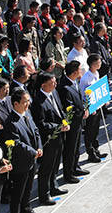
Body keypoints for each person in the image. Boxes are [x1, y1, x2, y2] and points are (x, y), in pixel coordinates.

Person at [31, 72, 68, 205]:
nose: (55, 84)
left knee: (56, 164)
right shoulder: (38, 101)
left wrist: (64, 121)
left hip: (59, 136)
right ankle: (44, 194)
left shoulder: (54, 93)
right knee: (46, 168)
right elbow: (40, 123)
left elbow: (60, 110)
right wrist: (58, 126)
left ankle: (53, 186)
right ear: (43, 84)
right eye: (52, 82)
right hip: (48, 139)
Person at [2, 89, 43, 213]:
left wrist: (39, 147)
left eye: (28, 101)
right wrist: (33, 152)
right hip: (21, 162)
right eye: (25, 102)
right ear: (15, 104)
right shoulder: (10, 122)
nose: (28, 104)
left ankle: (26, 208)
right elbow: (17, 143)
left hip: (32, 159)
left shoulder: (27, 113)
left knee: (28, 188)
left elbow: (36, 131)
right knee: (18, 192)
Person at [57, 61, 88, 184]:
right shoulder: (65, 87)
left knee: (76, 147)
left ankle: (76, 167)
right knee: (70, 148)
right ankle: (68, 173)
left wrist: (84, 108)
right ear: (75, 72)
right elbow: (69, 107)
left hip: (79, 121)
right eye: (79, 70)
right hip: (72, 123)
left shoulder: (74, 82)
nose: (81, 72)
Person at [79, 54, 106, 162]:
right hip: (90, 109)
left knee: (95, 130)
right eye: (98, 62)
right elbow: (83, 94)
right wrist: (88, 108)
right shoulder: (86, 78)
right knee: (89, 131)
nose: (100, 64)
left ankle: (96, 149)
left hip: (97, 106)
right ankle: (90, 152)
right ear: (93, 64)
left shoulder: (96, 73)